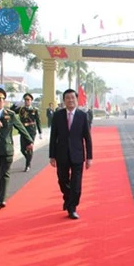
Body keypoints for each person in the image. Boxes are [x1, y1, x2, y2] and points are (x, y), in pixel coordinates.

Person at [49, 89, 93, 220]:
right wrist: (52, 156)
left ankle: (72, 208)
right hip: (61, 154)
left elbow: (87, 138)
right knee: (62, 181)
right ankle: (68, 198)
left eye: (72, 98)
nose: (70, 100)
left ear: (76, 99)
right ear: (64, 101)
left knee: (76, 185)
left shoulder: (82, 116)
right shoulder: (57, 115)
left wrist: (89, 157)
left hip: (77, 155)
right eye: (67, 98)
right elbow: (53, 137)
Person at [11, 93, 42, 172]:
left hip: (31, 130)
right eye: (25, 100)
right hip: (23, 130)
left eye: (28, 100)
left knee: (29, 148)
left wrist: (40, 132)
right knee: (22, 149)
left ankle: (27, 164)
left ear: (31, 100)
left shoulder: (35, 110)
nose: (26, 101)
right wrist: (16, 104)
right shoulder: (21, 109)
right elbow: (11, 111)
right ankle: (29, 159)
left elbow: (38, 121)